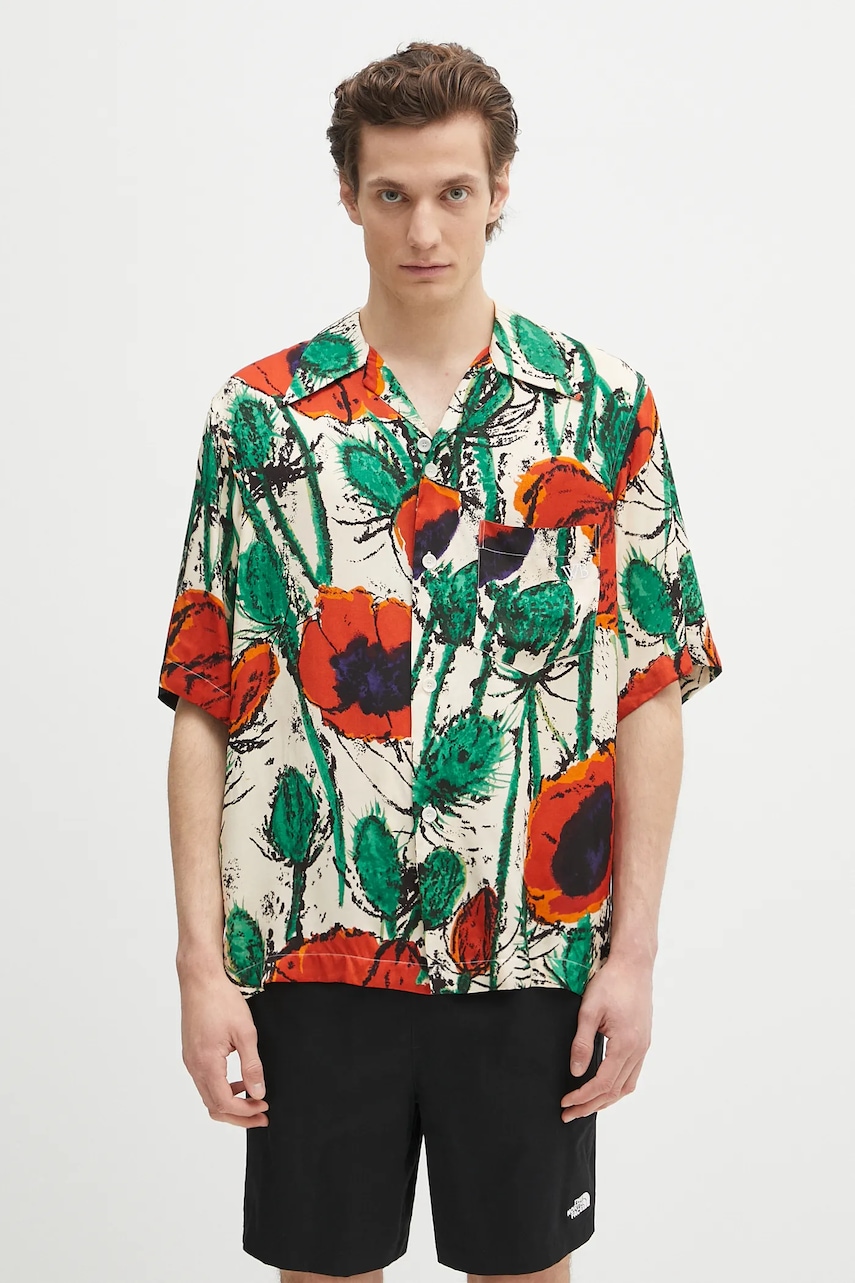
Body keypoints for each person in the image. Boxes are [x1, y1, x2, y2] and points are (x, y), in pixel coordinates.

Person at [157, 40, 722, 1283]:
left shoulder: (601, 407)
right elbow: (203, 695)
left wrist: (634, 954)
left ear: (500, 188)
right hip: (315, 945)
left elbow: (651, 687)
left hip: (531, 949)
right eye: (394, 193)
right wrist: (201, 967)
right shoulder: (260, 417)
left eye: (454, 191)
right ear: (349, 196)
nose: (425, 228)